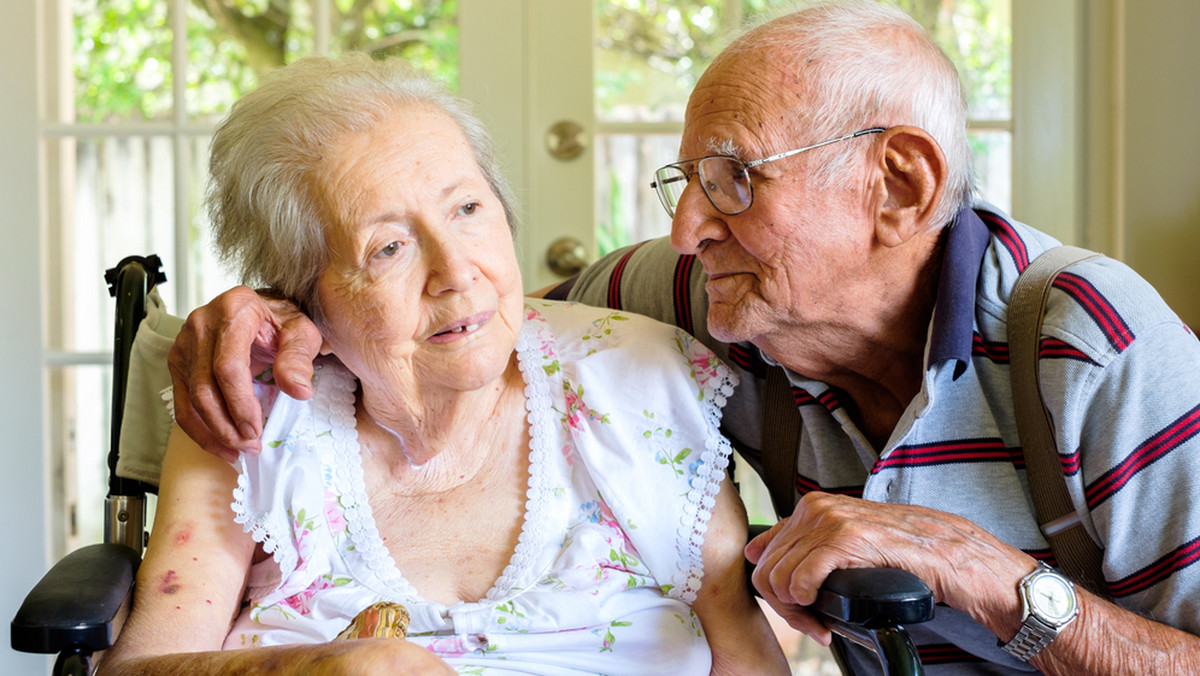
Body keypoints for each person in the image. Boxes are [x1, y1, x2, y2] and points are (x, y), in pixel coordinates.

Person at [166, 2, 1200, 674]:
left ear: (900, 185)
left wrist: (991, 576)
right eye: (685, 180)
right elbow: (464, 317)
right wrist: (271, 306)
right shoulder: (693, 297)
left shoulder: (1090, 347)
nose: (686, 230)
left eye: (733, 178)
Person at [97, 53, 789, 675]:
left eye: (466, 208)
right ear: (304, 301)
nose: (458, 272)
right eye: (388, 248)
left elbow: (746, 658)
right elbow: (139, 667)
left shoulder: (635, 382)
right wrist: (329, 670)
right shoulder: (252, 412)